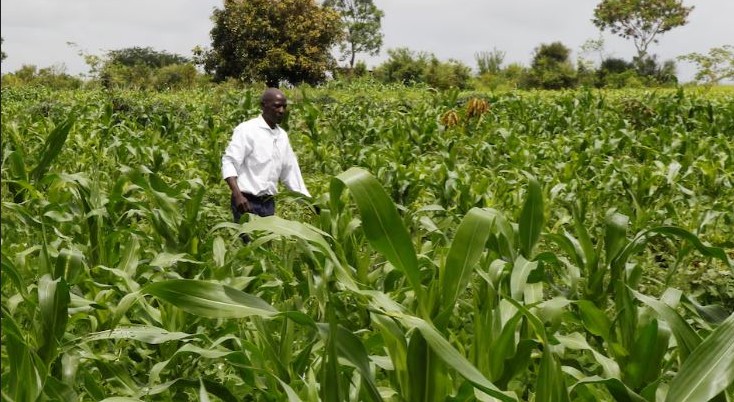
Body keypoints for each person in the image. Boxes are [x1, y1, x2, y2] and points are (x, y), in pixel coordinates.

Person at [221, 88, 313, 229]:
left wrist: (309, 202)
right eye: (276, 106)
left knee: (265, 247)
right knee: (250, 247)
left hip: (268, 204)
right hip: (246, 201)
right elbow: (229, 162)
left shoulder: (282, 136)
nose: (281, 110)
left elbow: (290, 173)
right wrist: (237, 195)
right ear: (263, 106)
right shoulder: (247, 130)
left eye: (284, 106)